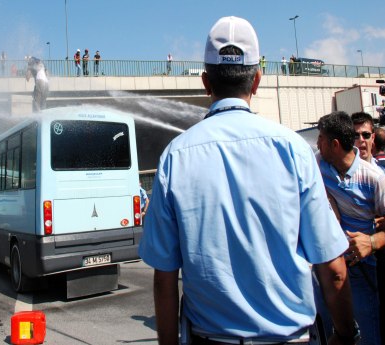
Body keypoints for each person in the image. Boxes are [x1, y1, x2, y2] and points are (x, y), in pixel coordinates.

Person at [139, 16, 358, 345]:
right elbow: (334, 270)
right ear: (256, 80)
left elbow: (164, 279)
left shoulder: (175, 157)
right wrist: (346, 333)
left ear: (205, 82)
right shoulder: (295, 151)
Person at [316, 111, 385, 345]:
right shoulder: (318, 164)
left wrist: (374, 240)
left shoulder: (375, 178)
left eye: (321, 139)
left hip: (362, 268)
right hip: (327, 267)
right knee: (331, 332)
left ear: (334, 145)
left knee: (367, 334)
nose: (317, 144)